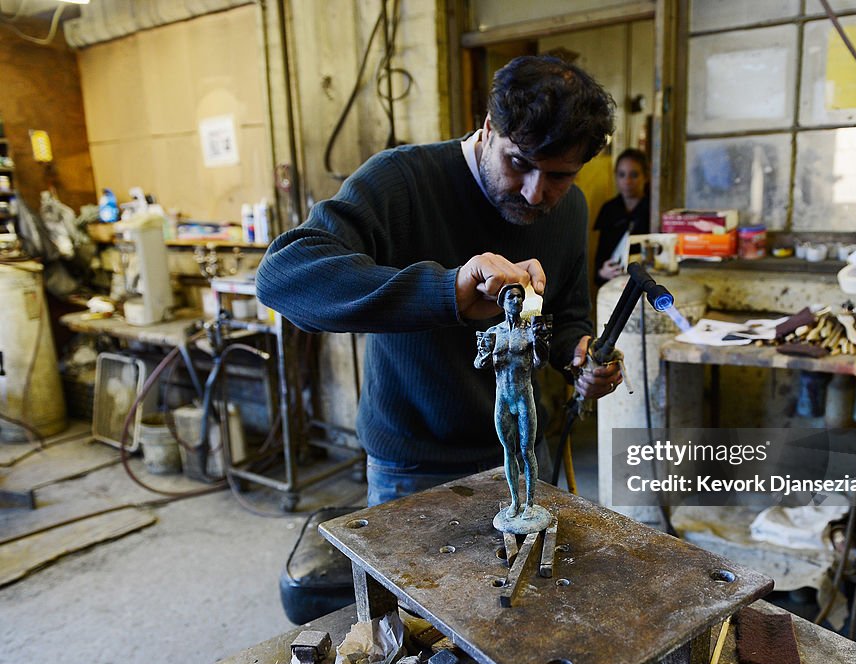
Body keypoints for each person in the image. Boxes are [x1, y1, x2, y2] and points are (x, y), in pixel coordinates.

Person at [255, 55, 623, 506]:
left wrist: (579, 357)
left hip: (525, 453)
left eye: (560, 176)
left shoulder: (569, 209)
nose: (535, 193)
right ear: (489, 128)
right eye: (519, 162)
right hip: (413, 467)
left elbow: (564, 317)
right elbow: (282, 276)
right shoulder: (401, 181)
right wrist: (446, 292)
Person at [474, 283, 552, 532]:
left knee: (527, 451)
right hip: (503, 398)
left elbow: (541, 362)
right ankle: (515, 502)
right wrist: (485, 353)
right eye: (511, 297)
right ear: (502, 302)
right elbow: (479, 363)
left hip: (523, 396)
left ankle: (530, 502)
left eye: (520, 297)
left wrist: (541, 341)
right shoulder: (493, 333)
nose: (517, 301)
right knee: (508, 451)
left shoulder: (529, 331)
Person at [593, 148, 650, 286]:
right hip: (613, 284)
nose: (627, 181)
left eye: (634, 175)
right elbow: (600, 261)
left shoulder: (652, 210)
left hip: (645, 284)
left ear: (646, 176)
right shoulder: (609, 209)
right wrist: (602, 272)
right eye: (622, 175)